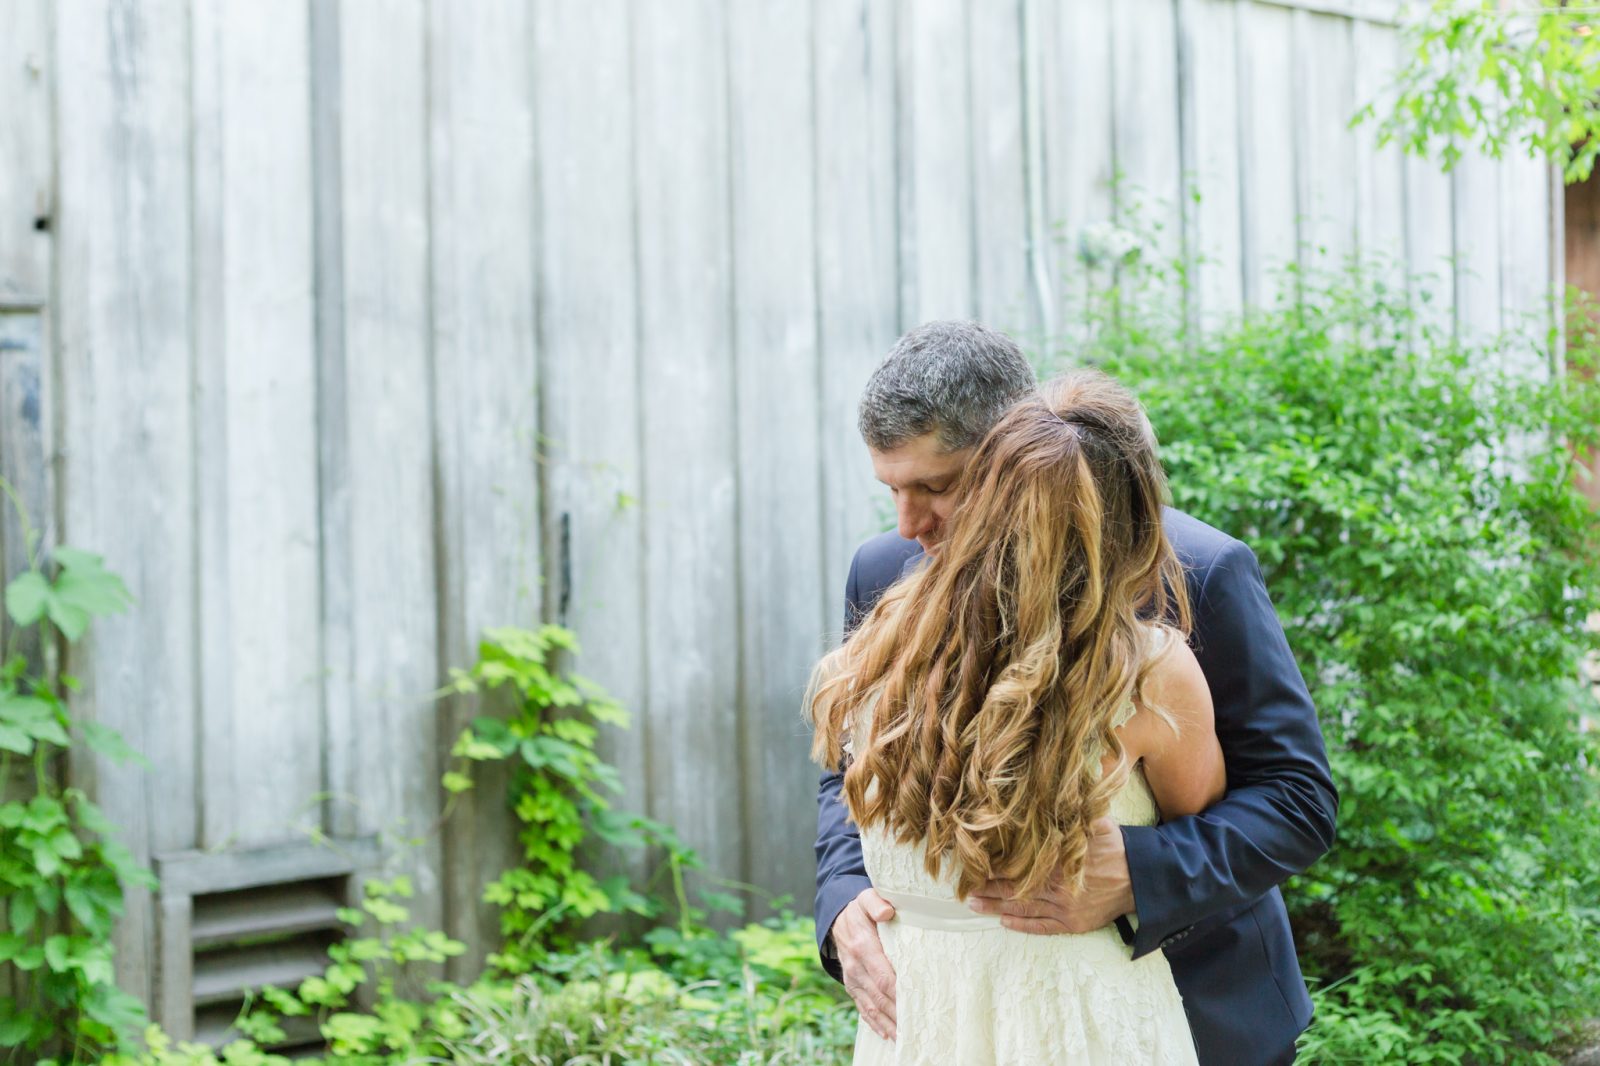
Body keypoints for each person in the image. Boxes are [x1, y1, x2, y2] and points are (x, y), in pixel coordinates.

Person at [814, 321, 1338, 1065]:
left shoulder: (1195, 570)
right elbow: (851, 768)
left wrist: (1142, 873)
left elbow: (1297, 798)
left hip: (1188, 1011)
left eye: (936, 486)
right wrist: (841, 900)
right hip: (951, 1020)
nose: (909, 525)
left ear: (1022, 450)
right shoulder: (885, 571)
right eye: (892, 488)